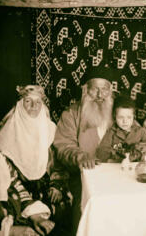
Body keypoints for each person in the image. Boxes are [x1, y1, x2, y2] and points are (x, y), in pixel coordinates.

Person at [0, 85, 70, 236]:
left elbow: (58, 163)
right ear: (19, 105)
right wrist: (34, 212)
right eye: (28, 101)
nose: (33, 107)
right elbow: (8, 179)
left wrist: (56, 185)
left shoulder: (50, 130)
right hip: (17, 194)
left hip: (45, 187)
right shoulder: (5, 135)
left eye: (38, 102)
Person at [54, 66, 115, 233]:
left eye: (104, 89)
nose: (100, 95)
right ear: (86, 90)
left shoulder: (119, 112)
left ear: (110, 91)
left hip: (115, 176)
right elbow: (64, 145)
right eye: (95, 89)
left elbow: (136, 134)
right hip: (82, 177)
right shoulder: (71, 114)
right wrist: (81, 157)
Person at [95, 95, 146, 162]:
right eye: (120, 117)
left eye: (129, 117)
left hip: (136, 165)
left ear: (134, 117)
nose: (125, 121)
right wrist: (114, 154)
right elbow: (101, 151)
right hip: (117, 165)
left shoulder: (140, 131)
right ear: (114, 117)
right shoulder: (111, 132)